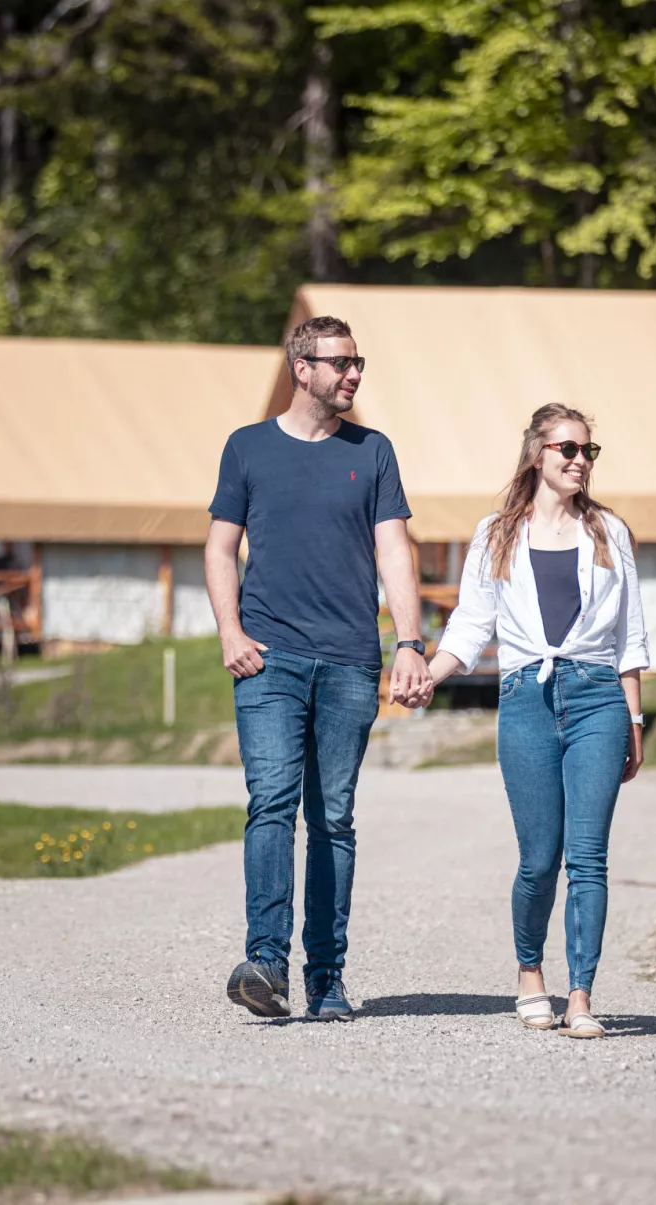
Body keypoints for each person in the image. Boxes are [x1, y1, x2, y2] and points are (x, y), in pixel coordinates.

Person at [206, 315, 432, 1022]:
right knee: (271, 802)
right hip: (268, 657)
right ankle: (266, 963)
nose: (354, 374)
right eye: (341, 362)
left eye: (358, 361)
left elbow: (395, 549)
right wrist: (230, 632)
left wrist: (410, 641)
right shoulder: (247, 448)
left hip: (347, 661)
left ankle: (326, 976)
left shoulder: (373, 450)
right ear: (302, 367)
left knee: (333, 816)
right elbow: (219, 549)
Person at [424, 404, 648, 1039]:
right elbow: (470, 624)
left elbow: (630, 636)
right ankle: (530, 973)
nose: (580, 461)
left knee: (589, 856)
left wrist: (634, 720)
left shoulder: (610, 532)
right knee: (539, 860)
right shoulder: (497, 532)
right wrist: (428, 674)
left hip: (598, 697)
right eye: (568, 449)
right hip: (525, 698)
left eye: (588, 452)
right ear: (536, 454)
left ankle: (581, 995)